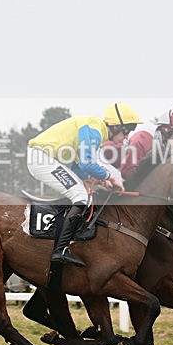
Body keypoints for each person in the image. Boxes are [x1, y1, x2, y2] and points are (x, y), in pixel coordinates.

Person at [27, 102, 140, 267]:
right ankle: (60, 250)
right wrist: (110, 176)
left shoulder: (96, 131)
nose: (126, 137)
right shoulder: (94, 129)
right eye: (126, 131)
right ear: (116, 126)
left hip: (46, 159)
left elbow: (80, 167)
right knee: (81, 196)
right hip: (42, 159)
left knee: (83, 194)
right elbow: (87, 164)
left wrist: (103, 180)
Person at [119, 108, 173, 181]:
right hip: (115, 168)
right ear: (167, 130)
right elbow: (126, 173)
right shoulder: (144, 138)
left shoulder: (163, 142)